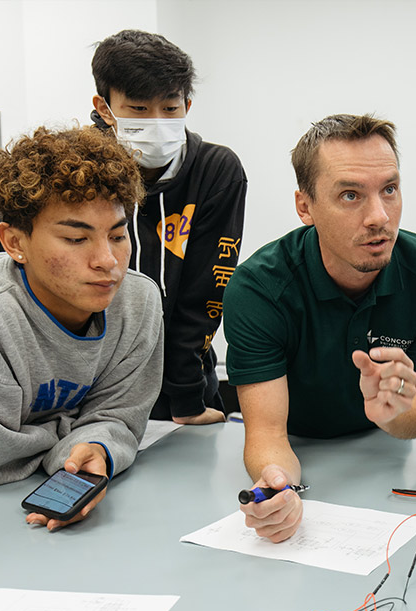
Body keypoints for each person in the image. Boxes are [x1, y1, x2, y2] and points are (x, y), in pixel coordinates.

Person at [223, 114, 416, 542]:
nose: (379, 216)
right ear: (305, 207)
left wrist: (397, 411)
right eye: (351, 195)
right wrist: (280, 485)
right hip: (296, 443)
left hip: (385, 451)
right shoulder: (259, 288)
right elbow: (267, 433)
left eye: (389, 190)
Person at [0, 126, 164, 530]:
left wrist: (93, 445)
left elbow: (120, 416)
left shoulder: (138, 303)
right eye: (76, 239)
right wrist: (73, 431)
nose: (107, 261)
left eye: (117, 235)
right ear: (14, 242)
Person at [91, 29, 247, 425]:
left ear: (187, 104)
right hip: (91, 383)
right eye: (139, 110)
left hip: (183, 384)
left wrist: (187, 400)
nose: (157, 121)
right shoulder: (80, 169)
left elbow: (206, 295)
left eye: (170, 108)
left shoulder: (216, 170)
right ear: (105, 107)